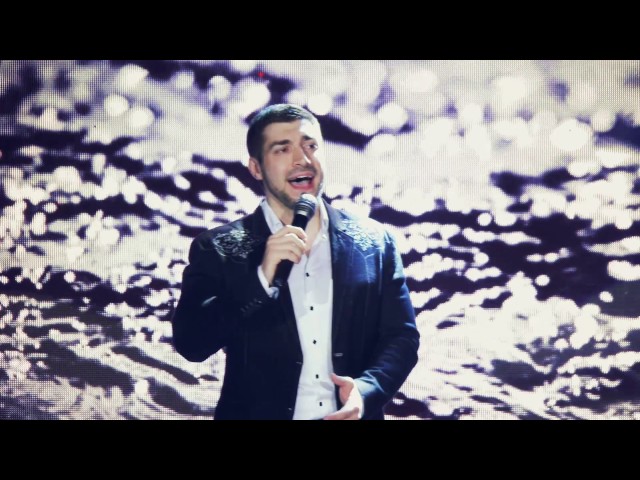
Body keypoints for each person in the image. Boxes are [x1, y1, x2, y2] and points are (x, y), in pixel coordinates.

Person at [171, 103, 419, 420]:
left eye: (311, 146)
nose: (302, 159)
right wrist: (260, 279)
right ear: (256, 168)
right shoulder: (217, 249)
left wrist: (366, 390)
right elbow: (191, 345)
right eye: (282, 149)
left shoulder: (375, 242)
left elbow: (401, 337)